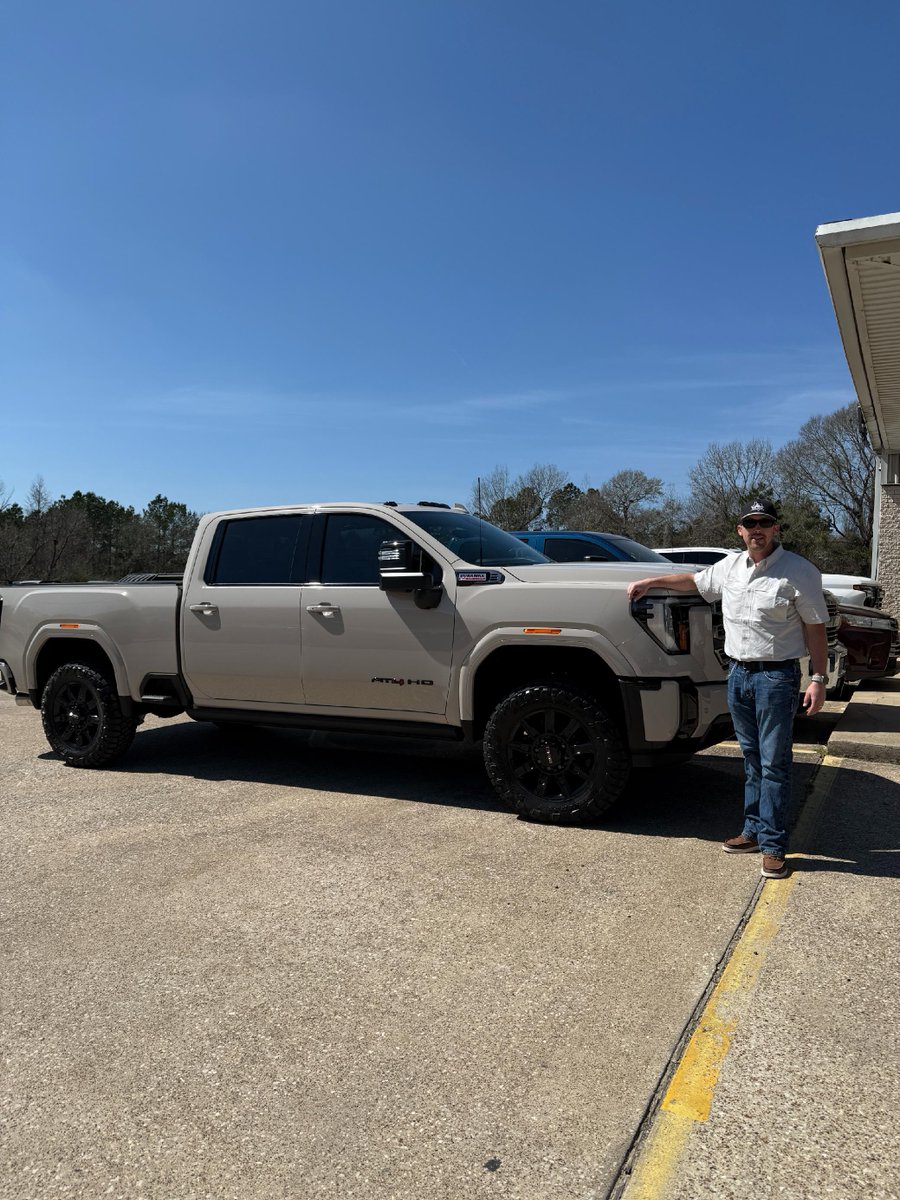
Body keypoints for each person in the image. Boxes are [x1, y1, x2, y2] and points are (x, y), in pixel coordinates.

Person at [627, 500, 830, 879]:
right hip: (737, 675)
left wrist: (818, 679)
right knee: (751, 759)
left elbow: (815, 628)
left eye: (764, 522)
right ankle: (752, 831)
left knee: (774, 763)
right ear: (740, 530)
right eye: (750, 523)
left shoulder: (799, 571)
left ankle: (773, 845)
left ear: (775, 528)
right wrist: (651, 583)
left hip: (776, 678)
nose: (757, 529)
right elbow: (694, 582)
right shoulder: (730, 567)